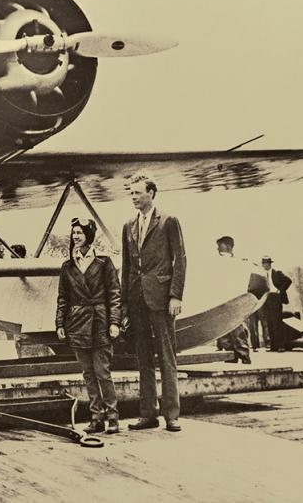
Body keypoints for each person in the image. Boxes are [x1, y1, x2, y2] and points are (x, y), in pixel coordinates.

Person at [122, 173, 186, 432]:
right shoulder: (128, 225)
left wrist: (175, 295)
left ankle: (172, 414)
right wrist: (125, 303)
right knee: (143, 358)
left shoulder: (169, 221)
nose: (133, 197)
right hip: (137, 299)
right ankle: (148, 413)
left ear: (151, 193)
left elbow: (180, 259)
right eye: (131, 193)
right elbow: (127, 266)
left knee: (167, 357)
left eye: (137, 192)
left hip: (161, 299)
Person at [56, 218, 121, 434]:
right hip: (77, 324)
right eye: (73, 233)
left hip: (100, 322)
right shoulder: (67, 266)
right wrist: (60, 323)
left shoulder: (104, 262)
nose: (75, 236)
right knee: (88, 373)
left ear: (89, 236)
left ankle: (112, 417)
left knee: (103, 372)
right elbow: (63, 298)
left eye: (80, 233)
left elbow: (114, 295)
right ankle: (96, 417)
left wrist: (114, 322)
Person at [215, 236, 251, 364]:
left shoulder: (238, 263)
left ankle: (245, 361)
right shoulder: (217, 263)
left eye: (220, 245)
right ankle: (231, 362)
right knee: (224, 337)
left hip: (234, 304)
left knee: (238, 334)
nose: (218, 248)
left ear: (228, 246)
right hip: (221, 304)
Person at [258, 256, 292, 352]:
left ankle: (281, 346)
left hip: (276, 298)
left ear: (269, 264)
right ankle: (274, 347)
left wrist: (280, 290)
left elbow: (288, 280)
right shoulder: (262, 274)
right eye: (263, 263)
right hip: (267, 298)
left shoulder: (277, 273)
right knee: (270, 323)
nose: (264, 265)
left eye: (266, 263)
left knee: (277, 322)